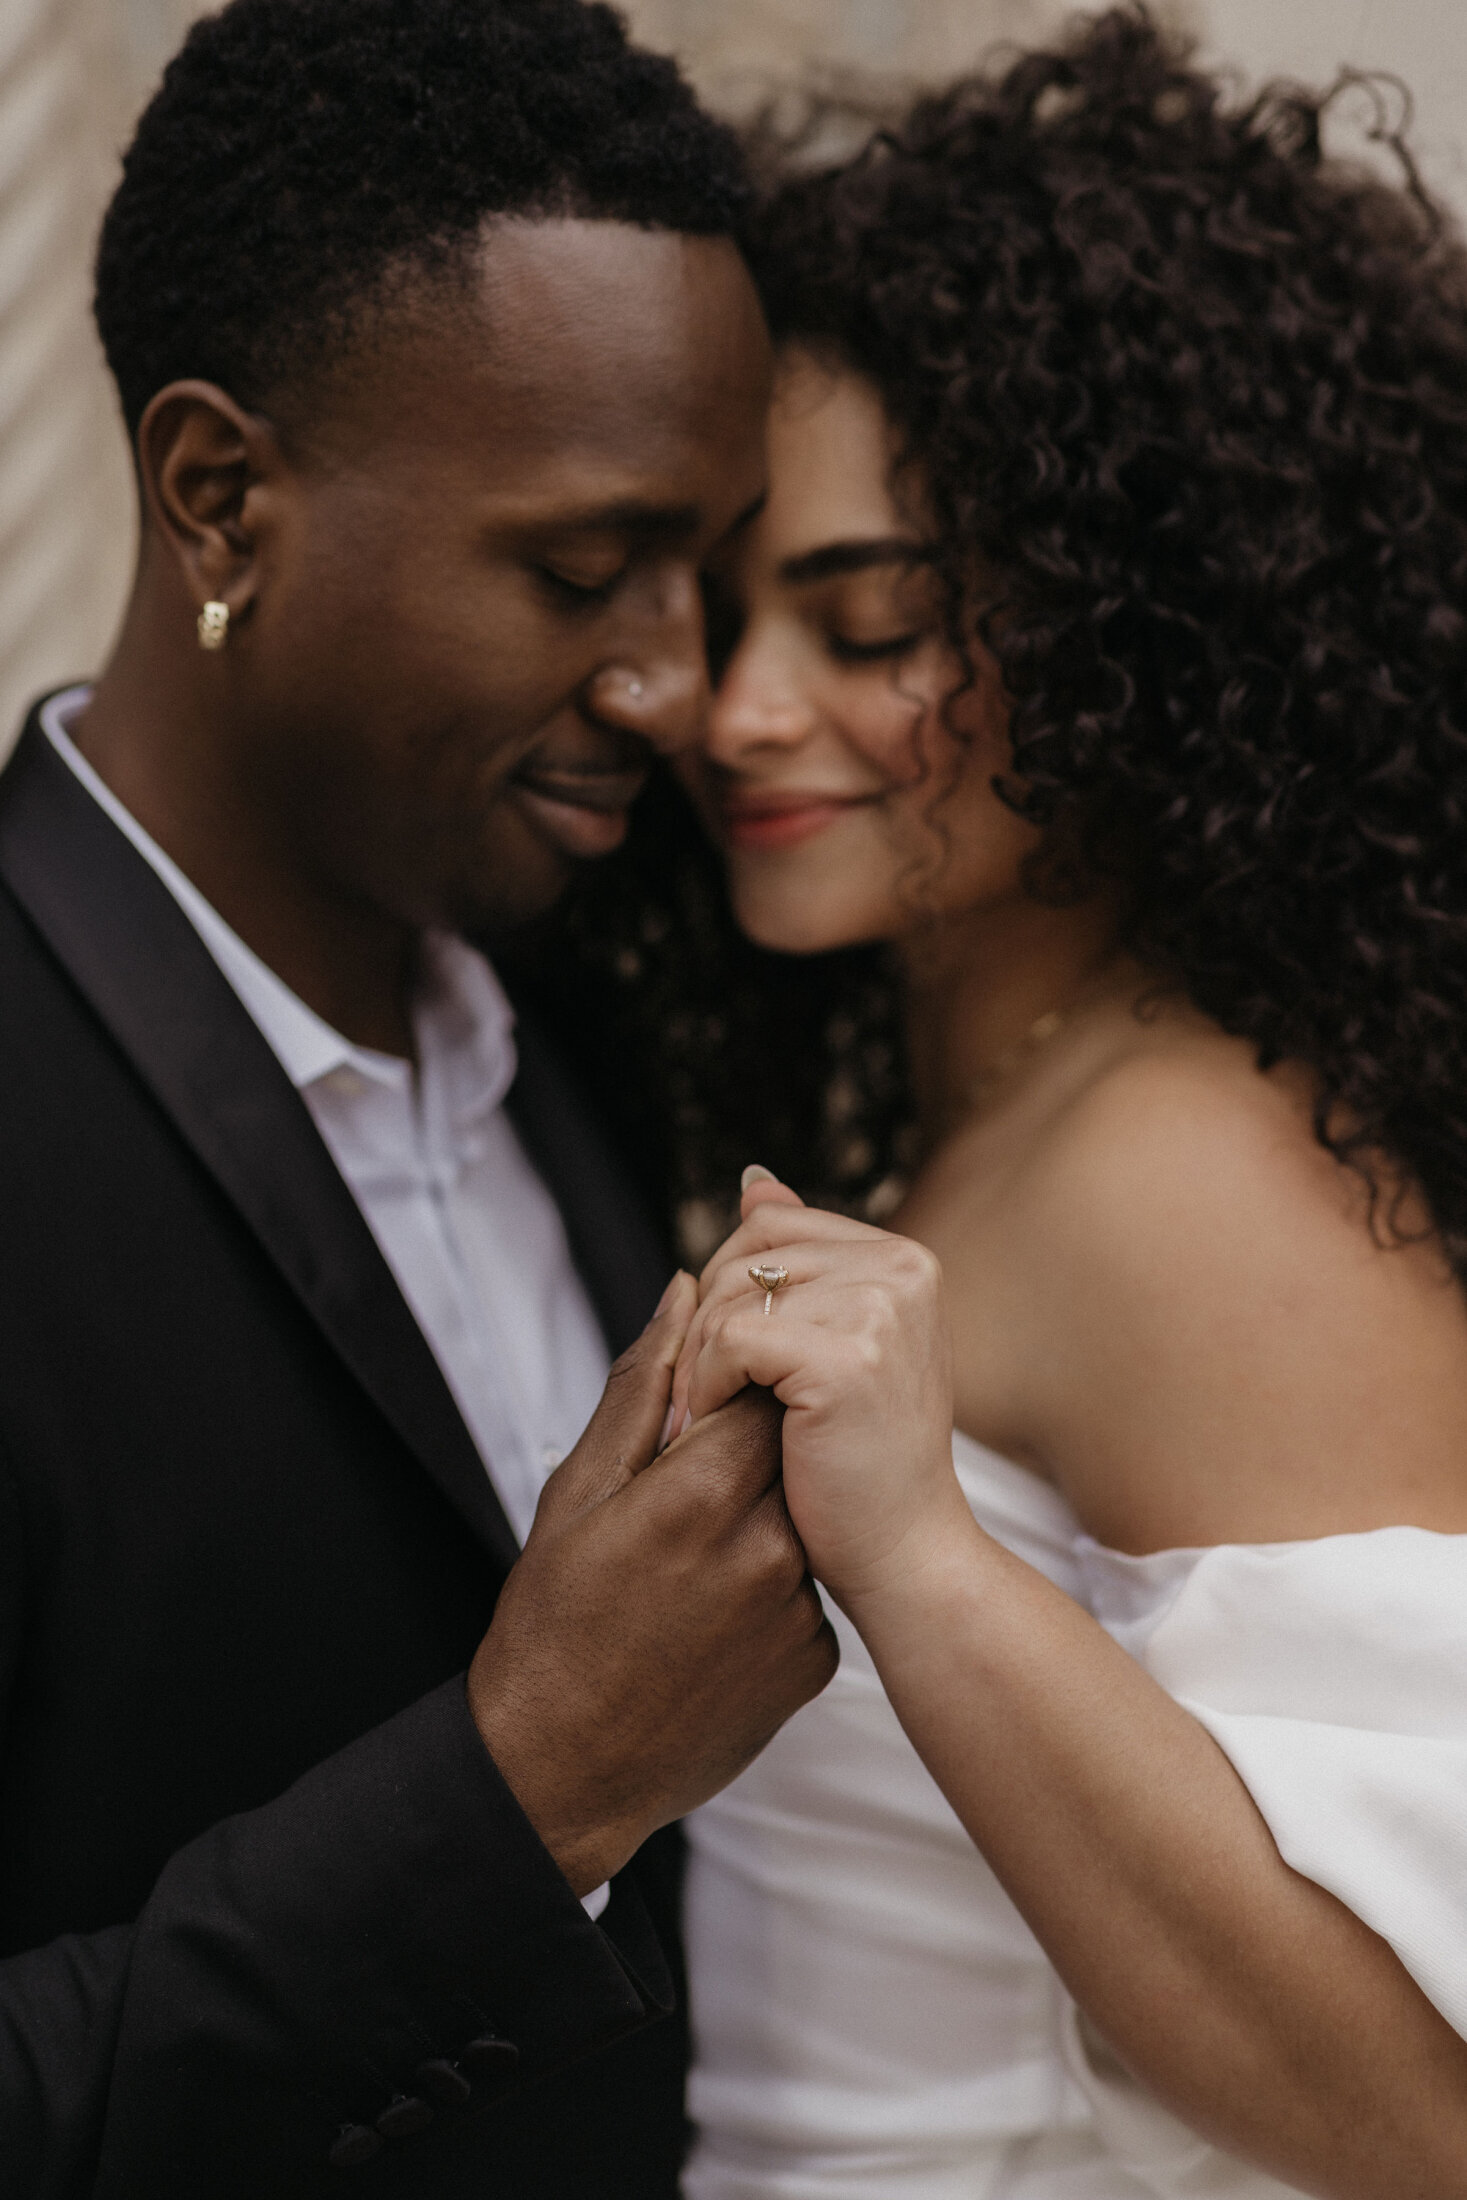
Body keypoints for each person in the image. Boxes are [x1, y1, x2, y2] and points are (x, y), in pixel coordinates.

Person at [537, 10, 1467, 2195]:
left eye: (872, 626)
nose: (742, 712)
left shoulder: (1190, 1178)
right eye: (723, 607)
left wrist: (930, 1572)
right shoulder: (1003, 1109)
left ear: (1138, 636)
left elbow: (1428, 2102)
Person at [0, 2, 844, 2194]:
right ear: (218, 498)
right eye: (580, 571)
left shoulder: (562, 994)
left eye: (708, 559)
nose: (673, 682)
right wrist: (526, 1778)